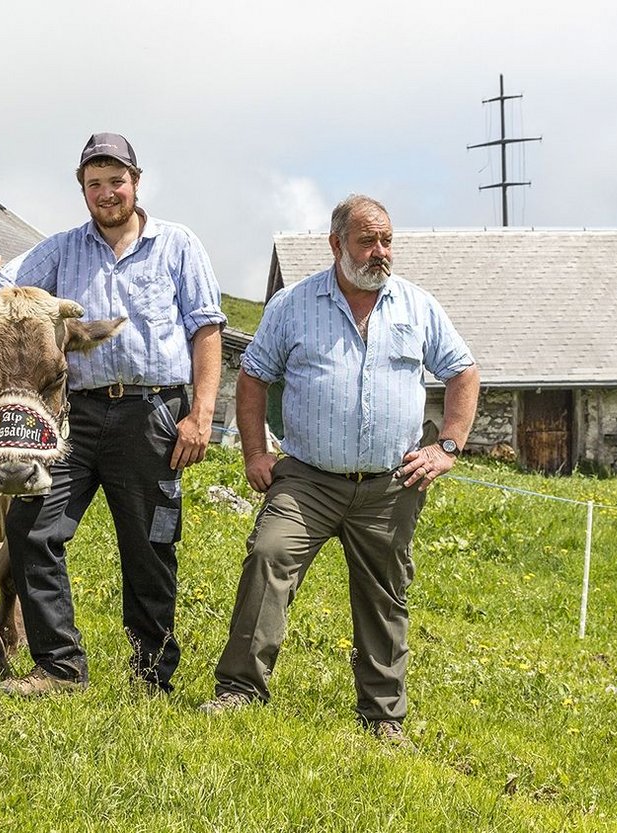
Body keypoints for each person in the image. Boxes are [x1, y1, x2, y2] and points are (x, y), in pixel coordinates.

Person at [199, 195, 479, 745]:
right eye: (366, 241)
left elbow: (463, 372)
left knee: (384, 593)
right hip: (307, 479)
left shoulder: (416, 306)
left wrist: (448, 446)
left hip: (389, 484)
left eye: (387, 241)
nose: (380, 253)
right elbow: (253, 378)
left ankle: (382, 718)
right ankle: (240, 690)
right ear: (336, 244)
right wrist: (255, 454)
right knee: (268, 556)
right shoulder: (293, 306)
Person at [0, 133, 226, 696]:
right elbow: (6, 286)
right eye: (94, 184)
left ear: (135, 183)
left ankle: (151, 675)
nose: (106, 193)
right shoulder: (62, 249)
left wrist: (201, 414)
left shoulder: (178, 244)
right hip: (77, 417)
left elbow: (206, 328)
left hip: (152, 414)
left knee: (149, 544)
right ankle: (60, 669)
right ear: (83, 190)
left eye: (116, 181)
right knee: (32, 530)